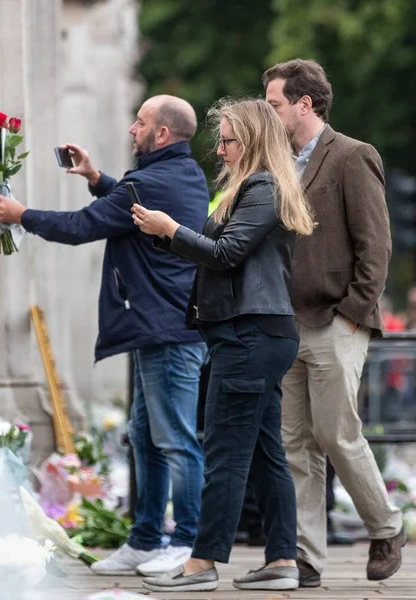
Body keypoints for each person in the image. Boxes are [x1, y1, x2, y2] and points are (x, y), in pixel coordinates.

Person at [0, 95, 209, 576]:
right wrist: (94, 178)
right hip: (163, 330)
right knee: (145, 438)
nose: (133, 128)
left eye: (141, 122)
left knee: (175, 441)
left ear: (162, 134)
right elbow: (125, 200)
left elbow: (83, 226)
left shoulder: (149, 182)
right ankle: (146, 540)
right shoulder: (183, 174)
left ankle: (188, 545)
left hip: (169, 333)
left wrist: (20, 214)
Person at [133, 97, 315, 593]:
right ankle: (281, 561)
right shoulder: (253, 188)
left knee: (225, 453)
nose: (220, 148)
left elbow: (227, 253)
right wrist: (165, 234)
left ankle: (202, 563)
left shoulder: (263, 186)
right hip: (255, 333)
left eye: (228, 140)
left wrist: (172, 230)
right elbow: (222, 250)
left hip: (249, 334)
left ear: (251, 141)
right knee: (262, 453)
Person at [263, 58, 404, 587]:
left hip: (335, 319)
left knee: (337, 433)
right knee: (294, 443)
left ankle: (386, 527)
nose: (269, 113)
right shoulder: (275, 162)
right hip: (285, 322)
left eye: (275, 104)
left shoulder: (352, 156)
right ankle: (306, 559)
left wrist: (353, 313)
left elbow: (377, 245)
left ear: (305, 103)